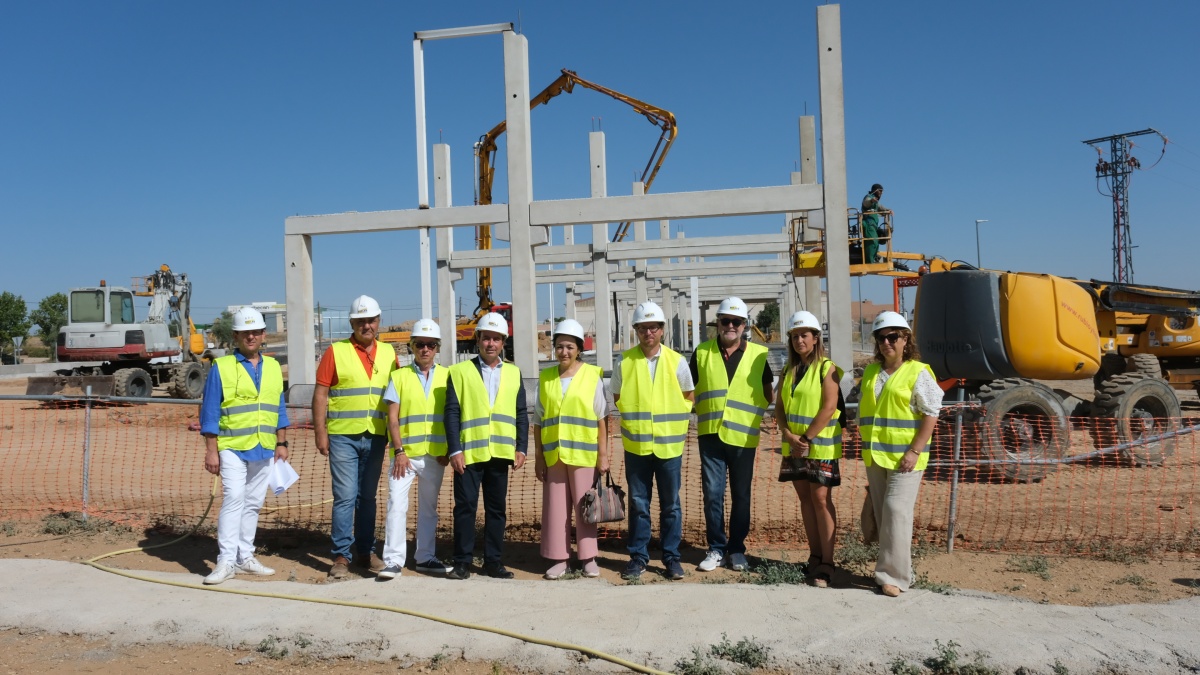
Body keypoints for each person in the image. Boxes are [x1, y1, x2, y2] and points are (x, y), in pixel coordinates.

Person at [200, 307, 289, 585]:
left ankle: (244, 556)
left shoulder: (273, 367)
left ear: (264, 335)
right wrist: (211, 450)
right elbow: (210, 412)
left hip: (264, 445)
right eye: (245, 332)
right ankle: (226, 561)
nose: (251, 336)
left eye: (256, 332)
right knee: (234, 498)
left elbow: (279, 407)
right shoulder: (222, 368)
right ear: (236, 336)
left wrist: (282, 442)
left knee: (253, 502)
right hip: (232, 447)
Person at [312, 295, 397, 579]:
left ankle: (365, 552)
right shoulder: (335, 352)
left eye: (371, 320)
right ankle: (340, 556)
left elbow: (396, 397)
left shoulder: (388, 354)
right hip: (342, 437)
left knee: (368, 498)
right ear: (352, 322)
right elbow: (321, 394)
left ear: (378, 321)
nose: (366, 325)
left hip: (375, 436)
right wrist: (320, 432)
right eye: (360, 321)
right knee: (346, 496)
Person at [858, 311, 941, 597]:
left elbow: (931, 413)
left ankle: (893, 577)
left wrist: (915, 450)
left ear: (906, 339)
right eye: (881, 338)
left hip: (907, 457)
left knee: (896, 511)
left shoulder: (918, 372)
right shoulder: (871, 372)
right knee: (884, 516)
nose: (886, 343)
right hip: (876, 455)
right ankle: (894, 570)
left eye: (892, 337)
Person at [689, 297, 774, 573]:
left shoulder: (759, 355)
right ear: (717, 323)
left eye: (736, 322)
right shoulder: (701, 353)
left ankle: (736, 549)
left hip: (743, 438)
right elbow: (688, 393)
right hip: (711, 435)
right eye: (725, 321)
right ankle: (716, 548)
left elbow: (768, 393)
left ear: (744, 326)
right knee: (712, 494)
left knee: (741, 495)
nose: (730, 326)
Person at [612, 301, 694, 581]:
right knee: (638, 503)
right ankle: (638, 557)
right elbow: (617, 398)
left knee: (671, 504)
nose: (649, 332)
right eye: (643, 327)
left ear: (662, 330)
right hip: (637, 447)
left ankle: (671, 557)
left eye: (654, 327)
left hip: (669, 447)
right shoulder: (624, 362)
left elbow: (688, 396)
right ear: (636, 330)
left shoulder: (677, 361)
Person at [444, 311, 528, 580]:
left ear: (503, 342)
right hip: (468, 453)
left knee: (496, 510)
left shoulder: (514, 373)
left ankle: (493, 562)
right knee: (465, 507)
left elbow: (521, 414)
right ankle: (462, 562)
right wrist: (455, 450)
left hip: (500, 453)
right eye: (486, 338)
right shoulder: (459, 372)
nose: (490, 343)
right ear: (477, 339)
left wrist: (521, 447)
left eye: (496, 339)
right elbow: (452, 413)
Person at [533, 319, 610, 580]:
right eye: (559, 347)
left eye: (569, 347)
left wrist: (603, 455)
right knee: (555, 509)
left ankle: (588, 558)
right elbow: (538, 421)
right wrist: (539, 458)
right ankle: (559, 559)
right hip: (554, 455)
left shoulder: (592, 375)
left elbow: (602, 419)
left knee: (585, 508)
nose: (563, 352)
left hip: (583, 455)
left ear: (579, 348)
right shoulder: (546, 378)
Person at [378, 319, 454, 580]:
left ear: (437, 348)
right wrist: (399, 451)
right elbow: (393, 418)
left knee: (429, 509)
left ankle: (425, 557)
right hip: (405, 456)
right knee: (396, 505)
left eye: (430, 345)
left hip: (435, 455)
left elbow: (452, 416)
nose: (425, 349)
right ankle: (393, 561)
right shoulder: (399, 377)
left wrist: (449, 448)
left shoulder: (448, 376)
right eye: (420, 344)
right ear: (412, 347)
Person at [775, 310, 844, 589]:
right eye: (794, 336)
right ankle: (814, 556)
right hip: (794, 445)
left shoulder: (828, 368)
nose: (799, 340)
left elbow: (829, 406)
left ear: (816, 338)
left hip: (818, 445)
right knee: (805, 499)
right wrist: (786, 433)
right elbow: (779, 406)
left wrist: (804, 438)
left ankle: (827, 562)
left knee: (820, 499)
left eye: (804, 335)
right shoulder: (788, 369)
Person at [860, 183, 893, 264]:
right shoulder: (869, 197)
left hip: (873, 225)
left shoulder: (876, 202)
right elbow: (865, 202)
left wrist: (888, 210)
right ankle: (870, 261)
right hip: (868, 224)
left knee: (876, 242)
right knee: (872, 241)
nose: (881, 193)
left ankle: (874, 258)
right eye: (880, 191)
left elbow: (880, 207)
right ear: (876, 191)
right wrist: (871, 201)